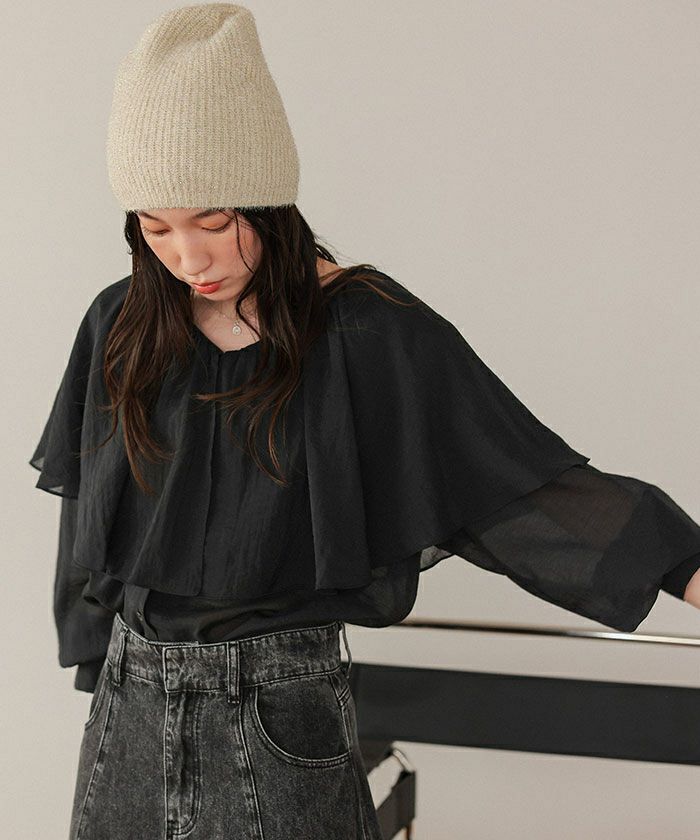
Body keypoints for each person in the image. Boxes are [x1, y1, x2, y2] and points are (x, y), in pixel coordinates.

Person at [28, 4, 700, 839]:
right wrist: (96, 665)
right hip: (128, 710)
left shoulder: (367, 330)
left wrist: (683, 566)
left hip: (276, 714)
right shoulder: (123, 321)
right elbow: (89, 510)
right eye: (155, 227)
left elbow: (507, 483)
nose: (188, 258)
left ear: (269, 201)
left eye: (214, 221)